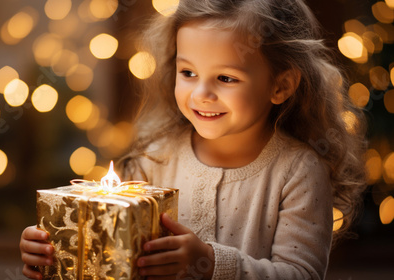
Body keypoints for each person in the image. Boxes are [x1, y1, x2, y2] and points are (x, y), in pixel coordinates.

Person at [20, 0, 367, 279]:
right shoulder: (154, 160)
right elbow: (113, 256)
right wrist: (60, 251)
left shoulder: (299, 172)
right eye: (188, 73)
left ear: (280, 86)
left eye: (226, 78)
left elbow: (300, 273)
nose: (201, 93)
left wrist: (209, 262)